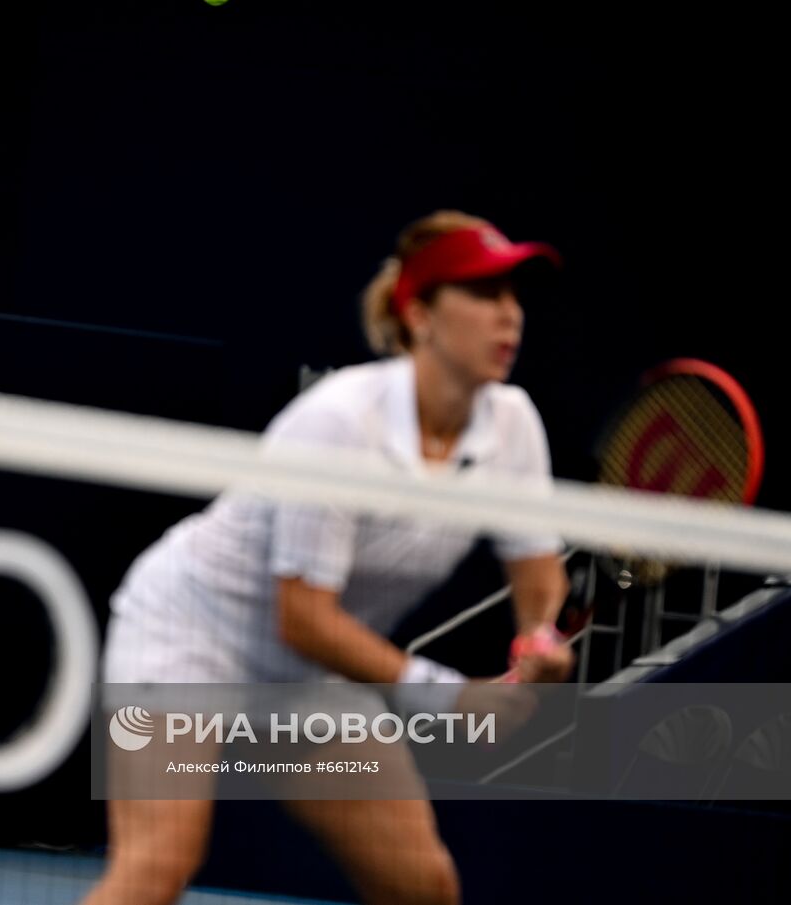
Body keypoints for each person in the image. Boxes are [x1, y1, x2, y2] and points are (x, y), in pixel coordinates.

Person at [82, 211, 574, 905]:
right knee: (159, 864)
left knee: (422, 886)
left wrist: (540, 640)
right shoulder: (339, 424)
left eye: (514, 296)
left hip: (306, 678)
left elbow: (538, 574)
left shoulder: (513, 422)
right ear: (420, 313)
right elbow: (304, 616)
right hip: (188, 638)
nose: (510, 316)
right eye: (485, 293)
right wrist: (447, 694)